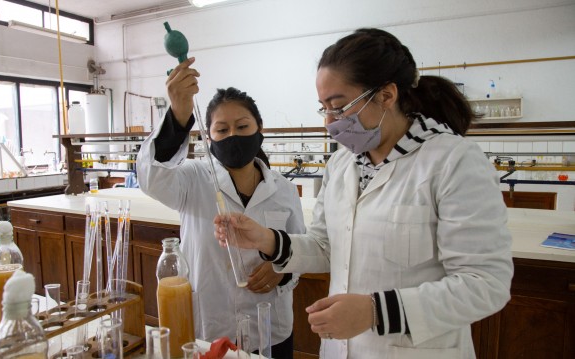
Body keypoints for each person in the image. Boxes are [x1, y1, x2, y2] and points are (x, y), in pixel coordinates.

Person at [214, 28, 513, 358]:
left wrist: (375, 312)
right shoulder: (344, 164)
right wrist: (265, 240)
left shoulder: (453, 161)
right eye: (323, 108)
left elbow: (485, 284)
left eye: (339, 106)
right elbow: (327, 245)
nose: (330, 121)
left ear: (386, 95)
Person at [136, 58, 305, 358]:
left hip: (271, 328)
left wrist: (283, 272)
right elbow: (151, 177)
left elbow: (301, 251)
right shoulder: (192, 179)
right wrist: (177, 114)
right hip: (212, 329)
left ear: (259, 129)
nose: (232, 136)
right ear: (208, 136)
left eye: (242, 126)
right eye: (222, 129)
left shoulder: (284, 190)